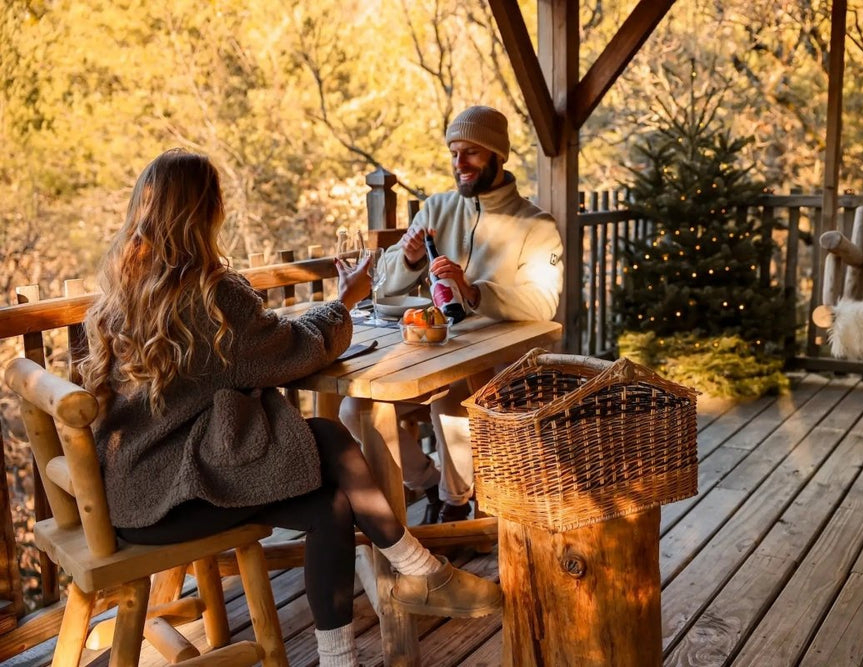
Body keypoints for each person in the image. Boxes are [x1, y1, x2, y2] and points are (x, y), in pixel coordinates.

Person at [78, 149, 501, 667]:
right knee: (325, 436)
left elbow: (243, 349)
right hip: (170, 495)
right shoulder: (211, 296)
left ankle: (346, 651)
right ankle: (422, 570)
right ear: (207, 211)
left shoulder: (128, 286)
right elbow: (295, 348)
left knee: (331, 506)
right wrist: (345, 300)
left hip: (128, 492)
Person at [340, 106, 564, 523]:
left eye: (472, 153)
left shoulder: (536, 225)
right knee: (353, 410)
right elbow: (384, 286)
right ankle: (427, 482)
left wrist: (474, 291)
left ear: (499, 155)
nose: (459, 164)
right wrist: (406, 260)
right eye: (454, 152)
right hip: (430, 349)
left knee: (454, 398)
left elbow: (542, 303)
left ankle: (455, 505)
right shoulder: (436, 209)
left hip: (495, 363)